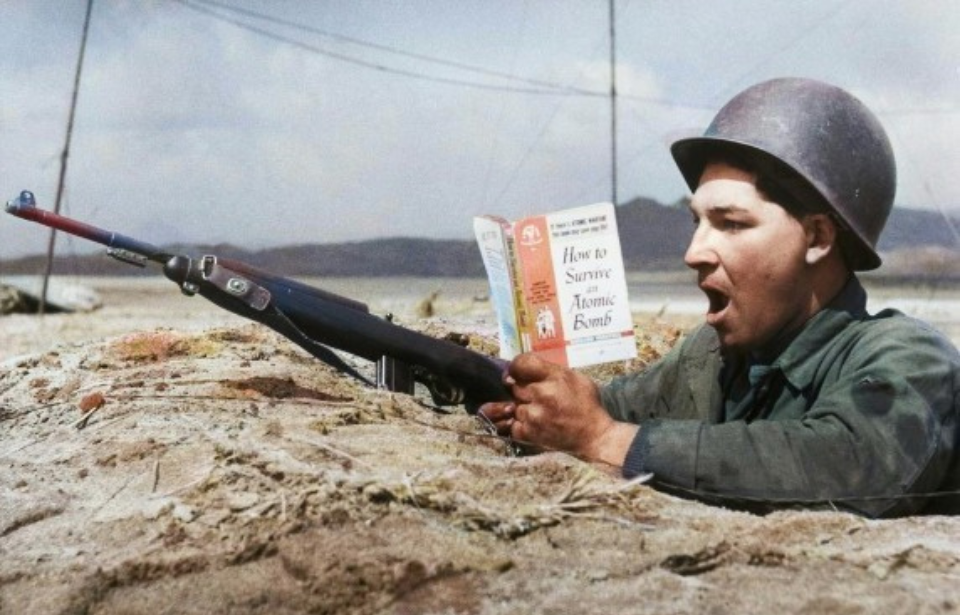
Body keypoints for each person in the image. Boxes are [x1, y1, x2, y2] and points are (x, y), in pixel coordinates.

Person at [479, 77, 960, 518]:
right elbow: (612, 408)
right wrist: (535, 410)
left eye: (731, 223)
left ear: (816, 238)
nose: (694, 252)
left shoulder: (910, 358)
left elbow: (848, 466)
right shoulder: (711, 354)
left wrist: (604, 441)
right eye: (697, 222)